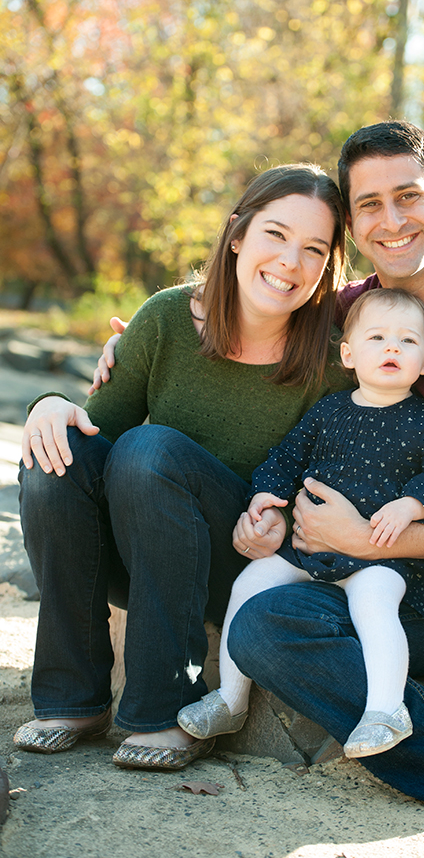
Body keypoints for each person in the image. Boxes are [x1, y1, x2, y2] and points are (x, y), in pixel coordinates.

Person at [88, 122, 424, 857]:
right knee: (263, 622)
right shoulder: (347, 318)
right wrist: (136, 339)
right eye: (369, 206)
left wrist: (365, 538)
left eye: (408, 196)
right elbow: (244, 317)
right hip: (386, 598)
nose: (391, 220)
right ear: (352, 226)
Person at [13, 163, 352, 771]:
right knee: (54, 458)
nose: (290, 262)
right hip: (141, 552)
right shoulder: (168, 318)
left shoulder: (329, 364)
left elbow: (329, 493)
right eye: (275, 234)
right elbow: (95, 434)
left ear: (328, 267)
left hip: (239, 567)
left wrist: (281, 525)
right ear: (237, 234)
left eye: (314, 249)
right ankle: (73, 698)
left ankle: (167, 709)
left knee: (149, 451)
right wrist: (47, 406)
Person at [176, 288, 424, 759]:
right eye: (377, 337)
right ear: (349, 354)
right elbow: (288, 456)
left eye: (407, 341)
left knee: (375, 604)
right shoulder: (329, 411)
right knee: (251, 582)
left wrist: (411, 505)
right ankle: (230, 698)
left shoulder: (423, 423)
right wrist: (266, 497)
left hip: (378, 554)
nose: (392, 348)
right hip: (307, 547)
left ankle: (385, 709)